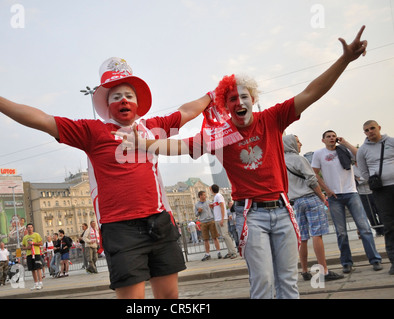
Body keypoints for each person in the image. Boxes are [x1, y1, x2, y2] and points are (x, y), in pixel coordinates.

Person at [115, 26, 369, 298]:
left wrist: (344, 60)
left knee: (288, 283)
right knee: (262, 284)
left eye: (244, 96)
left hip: (283, 211)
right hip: (251, 215)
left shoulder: (272, 118)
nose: (239, 101)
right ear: (226, 105)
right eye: (232, 98)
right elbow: (179, 145)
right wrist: (143, 143)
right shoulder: (219, 136)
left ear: (253, 100)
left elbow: (310, 93)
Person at [0, 56, 211, 299]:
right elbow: (42, 119)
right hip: (120, 229)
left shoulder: (153, 127)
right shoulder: (92, 132)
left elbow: (187, 111)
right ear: (107, 104)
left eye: (129, 95)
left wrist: (212, 95)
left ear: (137, 103)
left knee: (169, 297)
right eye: (116, 96)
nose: (123, 100)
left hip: (159, 223)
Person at [311, 130, 382, 273]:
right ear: (323, 140)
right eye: (328, 137)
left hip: (351, 193)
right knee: (341, 232)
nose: (332, 138)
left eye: (333, 136)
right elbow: (314, 173)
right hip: (334, 197)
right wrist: (326, 189)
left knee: (365, 228)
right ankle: (346, 263)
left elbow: (359, 155)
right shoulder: (319, 154)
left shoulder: (344, 150)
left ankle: (375, 260)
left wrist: (345, 143)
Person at [283, 134, 343, 282]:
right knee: (317, 234)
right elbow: (312, 179)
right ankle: (324, 271)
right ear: (291, 144)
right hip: (310, 199)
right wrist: (323, 198)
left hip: (296, 203)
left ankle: (304, 270)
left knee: (303, 237)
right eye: (297, 141)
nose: (300, 144)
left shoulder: (280, 162)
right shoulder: (299, 159)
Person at [356, 120, 394, 275]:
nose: (370, 131)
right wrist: (376, 179)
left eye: (372, 128)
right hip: (381, 191)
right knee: (389, 226)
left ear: (379, 128)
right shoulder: (362, 150)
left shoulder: (391, 142)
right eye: (366, 130)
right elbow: (364, 172)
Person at [354, 163, 384, 236]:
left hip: (374, 191)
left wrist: (360, 178)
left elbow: (371, 177)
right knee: (370, 214)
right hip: (363, 194)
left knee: (380, 211)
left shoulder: (368, 165)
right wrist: (362, 180)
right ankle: (377, 229)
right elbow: (355, 181)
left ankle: (383, 228)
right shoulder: (353, 169)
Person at [211, 184, 237, 259]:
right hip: (217, 219)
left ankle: (233, 252)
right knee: (223, 236)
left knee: (225, 235)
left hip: (221, 219)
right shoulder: (216, 197)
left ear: (212, 190)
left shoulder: (219, 196)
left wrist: (222, 218)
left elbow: (222, 206)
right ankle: (230, 252)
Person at [195, 191, 221, 261]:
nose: (205, 196)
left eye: (205, 195)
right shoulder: (197, 204)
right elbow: (196, 214)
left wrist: (213, 208)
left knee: (215, 237)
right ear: (200, 196)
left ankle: (218, 252)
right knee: (205, 239)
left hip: (211, 221)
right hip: (203, 222)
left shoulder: (209, 202)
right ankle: (207, 254)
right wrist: (199, 211)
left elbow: (214, 211)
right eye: (204, 195)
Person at [21, 223, 44, 290]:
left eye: (31, 227)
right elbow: (23, 247)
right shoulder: (25, 237)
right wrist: (27, 247)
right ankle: (35, 283)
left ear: (33, 228)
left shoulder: (36, 235)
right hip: (29, 254)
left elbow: (41, 243)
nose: (30, 229)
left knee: (38, 268)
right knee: (32, 269)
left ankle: (40, 283)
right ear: (26, 229)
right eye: (28, 227)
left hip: (36, 253)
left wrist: (33, 243)